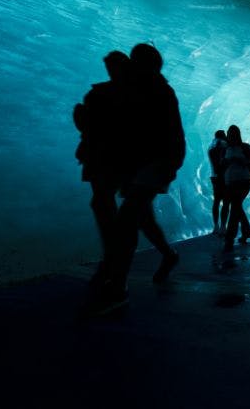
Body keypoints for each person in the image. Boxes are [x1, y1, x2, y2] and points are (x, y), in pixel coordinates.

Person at [82, 43, 186, 316]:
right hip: (140, 166)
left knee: (128, 218)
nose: (132, 64)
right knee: (142, 219)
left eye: (136, 60)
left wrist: (167, 167)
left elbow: (172, 136)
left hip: (155, 165)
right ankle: (167, 255)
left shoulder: (160, 91)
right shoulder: (138, 88)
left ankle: (117, 286)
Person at [74, 51, 131, 288]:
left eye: (112, 67)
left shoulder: (109, 93)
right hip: (103, 157)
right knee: (103, 203)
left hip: (109, 158)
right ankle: (112, 258)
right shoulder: (107, 92)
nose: (110, 71)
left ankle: (113, 261)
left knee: (104, 204)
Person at [222, 125, 250, 253]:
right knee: (237, 207)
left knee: (235, 207)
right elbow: (221, 163)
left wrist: (241, 160)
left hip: (244, 181)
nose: (231, 136)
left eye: (233, 133)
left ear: (237, 134)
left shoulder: (245, 147)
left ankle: (229, 239)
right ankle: (246, 232)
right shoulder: (226, 148)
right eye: (229, 133)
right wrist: (226, 162)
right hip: (230, 181)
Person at [208, 130, 229, 235]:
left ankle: (216, 226)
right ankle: (223, 226)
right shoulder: (225, 147)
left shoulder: (211, 148)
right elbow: (224, 163)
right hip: (224, 177)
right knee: (225, 202)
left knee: (216, 201)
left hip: (214, 177)